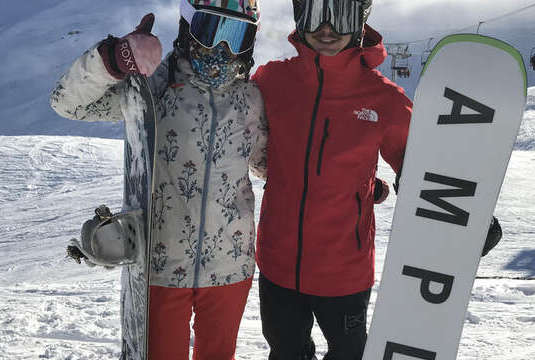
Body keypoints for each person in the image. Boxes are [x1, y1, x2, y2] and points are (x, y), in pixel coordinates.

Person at [251, 1, 502, 359]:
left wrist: (471, 219)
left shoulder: (383, 99)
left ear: (360, 21)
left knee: (350, 354)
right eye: (315, 13)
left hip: (343, 269)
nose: (326, 28)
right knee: (286, 352)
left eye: (340, 15)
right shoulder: (272, 80)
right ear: (299, 16)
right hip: (277, 263)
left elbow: (425, 165)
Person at [50, 1, 267, 359]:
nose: (221, 50)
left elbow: (267, 164)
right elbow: (68, 103)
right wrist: (113, 60)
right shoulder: (150, 89)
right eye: (211, 32)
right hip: (159, 266)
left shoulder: (251, 98)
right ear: (187, 28)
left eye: (235, 35)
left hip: (230, 264)